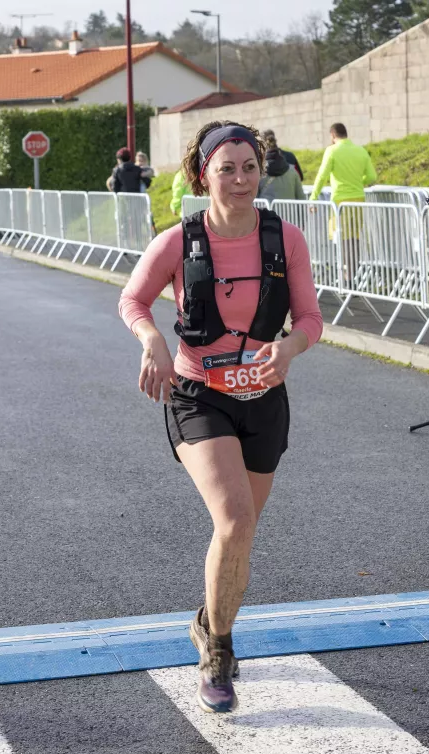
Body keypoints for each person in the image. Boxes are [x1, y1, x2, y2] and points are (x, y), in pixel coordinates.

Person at [117, 120, 323, 713]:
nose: (240, 179)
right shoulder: (177, 241)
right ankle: (219, 653)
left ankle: (210, 619)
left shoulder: (285, 238)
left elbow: (311, 318)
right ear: (202, 174)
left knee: (241, 534)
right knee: (233, 522)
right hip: (198, 394)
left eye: (249, 167)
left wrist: (288, 347)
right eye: (226, 168)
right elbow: (132, 299)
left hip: (264, 398)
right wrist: (152, 340)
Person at [309, 123, 377, 286]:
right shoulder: (361, 150)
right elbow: (372, 177)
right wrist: (358, 182)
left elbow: (322, 176)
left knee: (341, 238)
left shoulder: (332, 151)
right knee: (354, 238)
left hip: (340, 200)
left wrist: (313, 197)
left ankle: (346, 277)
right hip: (358, 199)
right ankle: (351, 275)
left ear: (333, 135)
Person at [258, 135, 304, 201]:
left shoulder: (259, 173)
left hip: (265, 207)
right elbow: (301, 197)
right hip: (289, 207)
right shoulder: (293, 172)